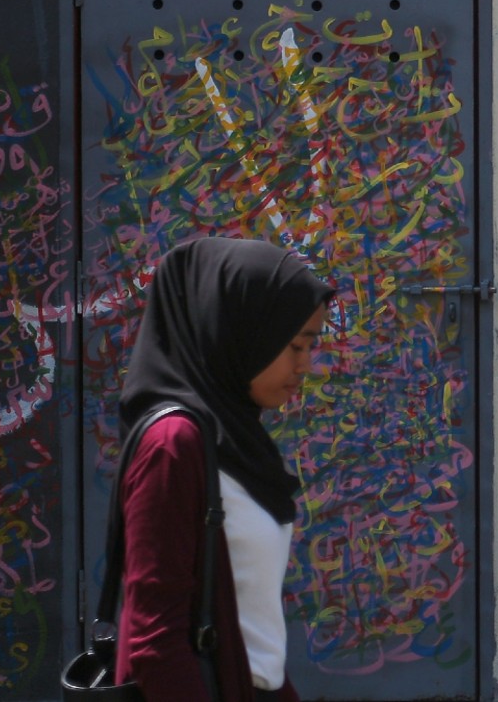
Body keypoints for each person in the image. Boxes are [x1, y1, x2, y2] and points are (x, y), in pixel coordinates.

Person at [113, 237, 333, 702]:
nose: (306, 365)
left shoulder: (236, 444)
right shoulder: (174, 446)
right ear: (238, 330)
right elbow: (155, 643)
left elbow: (258, 646)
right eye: (294, 344)